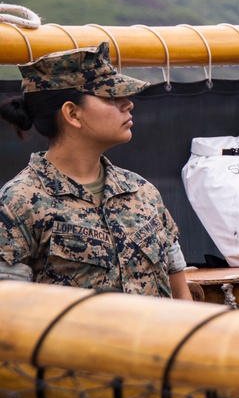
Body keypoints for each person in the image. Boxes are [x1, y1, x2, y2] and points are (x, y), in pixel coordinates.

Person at [0, 42, 191, 299]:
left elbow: (181, 297)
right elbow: (9, 315)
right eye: (111, 97)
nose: (128, 104)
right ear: (72, 113)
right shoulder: (18, 204)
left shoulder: (142, 193)